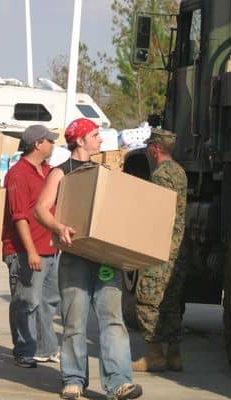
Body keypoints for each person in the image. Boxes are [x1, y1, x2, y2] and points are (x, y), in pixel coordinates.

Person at [35, 118, 143, 400]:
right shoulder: (61, 174)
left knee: (113, 320)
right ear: (80, 140)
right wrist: (58, 227)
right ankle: (73, 379)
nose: (99, 140)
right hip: (75, 257)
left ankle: (119, 383)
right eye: (95, 135)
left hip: (105, 258)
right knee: (74, 321)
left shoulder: (103, 171)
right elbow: (41, 209)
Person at [2, 125, 61, 368]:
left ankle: (46, 349)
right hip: (26, 251)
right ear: (37, 144)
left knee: (49, 302)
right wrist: (31, 251)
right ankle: (24, 350)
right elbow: (19, 217)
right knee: (26, 301)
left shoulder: (48, 171)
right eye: (50, 140)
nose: (53, 144)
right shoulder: (17, 174)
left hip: (50, 248)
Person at [132, 128, 188, 372]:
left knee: (147, 299)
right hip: (177, 247)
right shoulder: (179, 171)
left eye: (149, 146)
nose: (147, 150)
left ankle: (154, 354)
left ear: (155, 148)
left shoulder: (160, 175)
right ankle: (174, 355)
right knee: (172, 301)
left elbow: (160, 213)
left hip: (162, 246)